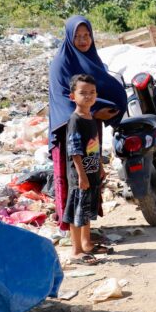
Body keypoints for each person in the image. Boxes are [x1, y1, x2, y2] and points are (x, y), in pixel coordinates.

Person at [48, 16, 127, 239]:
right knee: (75, 183)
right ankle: (75, 238)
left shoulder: (92, 60)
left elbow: (99, 89)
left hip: (91, 130)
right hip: (70, 133)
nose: (83, 40)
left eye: (87, 35)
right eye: (78, 36)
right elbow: (63, 99)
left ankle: (87, 234)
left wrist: (104, 109)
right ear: (69, 38)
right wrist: (93, 112)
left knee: (90, 179)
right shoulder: (61, 64)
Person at [62, 74, 105, 265]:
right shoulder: (75, 120)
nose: (88, 96)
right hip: (80, 175)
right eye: (83, 93)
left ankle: (87, 244)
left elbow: (94, 146)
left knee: (87, 209)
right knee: (77, 211)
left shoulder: (90, 117)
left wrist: (100, 166)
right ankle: (76, 250)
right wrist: (81, 175)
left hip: (92, 171)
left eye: (92, 92)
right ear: (72, 96)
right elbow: (74, 150)